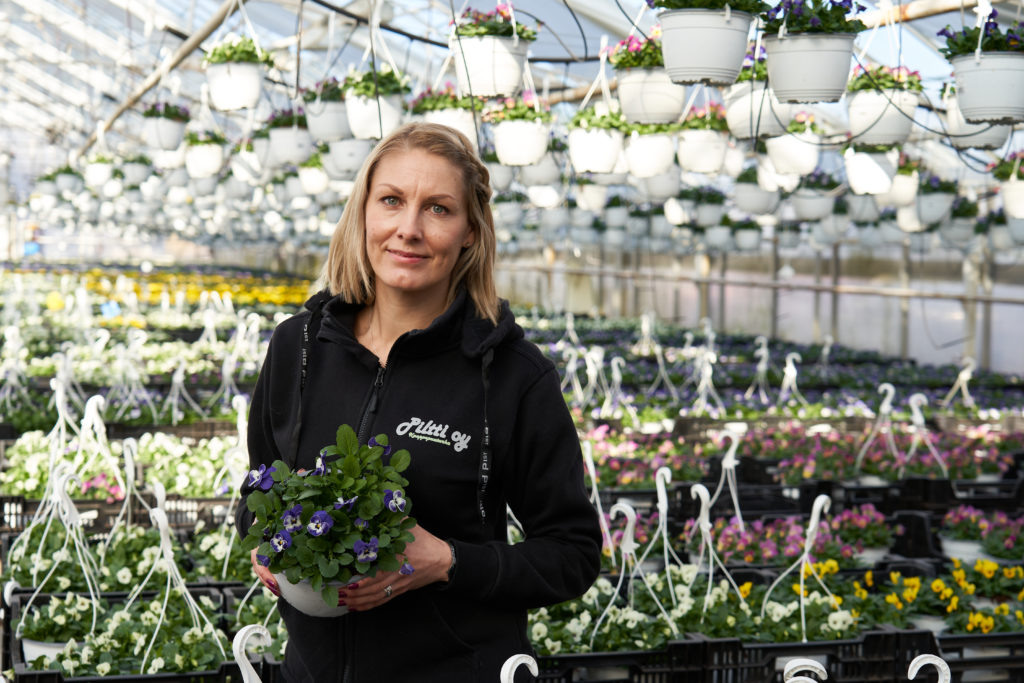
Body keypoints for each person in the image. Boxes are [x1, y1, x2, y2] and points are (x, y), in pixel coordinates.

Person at [236, 122, 602, 682]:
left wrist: (448, 563)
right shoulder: (300, 347)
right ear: (363, 214)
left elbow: (572, 555)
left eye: (437, 209)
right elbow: (260, 487)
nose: (408, 229)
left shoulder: (512, 376)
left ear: (471, 232)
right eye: (391, 201)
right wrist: (263, 540)